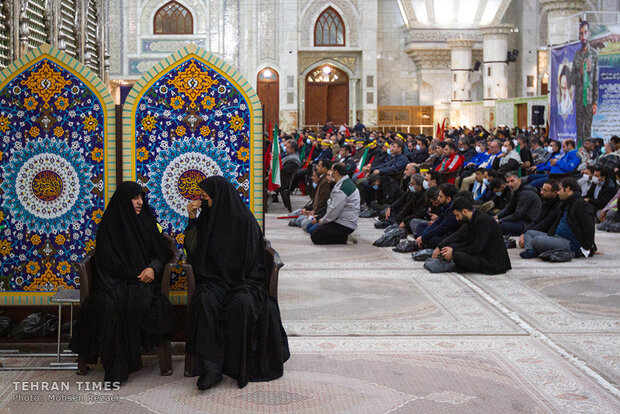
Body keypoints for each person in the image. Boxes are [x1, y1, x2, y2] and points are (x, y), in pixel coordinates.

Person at [184, 176, 290, 390]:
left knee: (242, 303)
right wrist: (192, 218)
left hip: (244, 281)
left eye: (205, 197)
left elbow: (254, 261)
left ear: (218, 197)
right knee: (205, 301)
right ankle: (211, 368)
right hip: (214, 280)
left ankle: (238, 367)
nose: (202, 201)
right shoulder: (207, 219)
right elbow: (193, 250)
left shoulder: (244, 221)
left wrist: (237, 277)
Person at [70, 181, 175, 383]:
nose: (140, 202)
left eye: (141, 198)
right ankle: (117, 368)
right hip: (112, 283)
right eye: (135, 198)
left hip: (141, 283)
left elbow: (162, 252)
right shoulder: (110, 226)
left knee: (136, 300)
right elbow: (107, 262)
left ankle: (124, 365)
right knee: (109, 304)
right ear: (123, 201)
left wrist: (152, 268)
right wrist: (132, 273)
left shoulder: (145, 222)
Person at [433, 197, 511, 274]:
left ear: (464, 211)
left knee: (458, 256)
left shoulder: (482, 221)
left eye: (457, 215)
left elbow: (477, 247)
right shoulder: (472, 218)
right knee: (452, 246)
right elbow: (459, 234)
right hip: (482, 255)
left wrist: (453, 252)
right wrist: (440, 246)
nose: (457, 219)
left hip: (492, 262)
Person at [521, 178, 596, 258]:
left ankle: (535, 251)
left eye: (560, 189)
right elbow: (547, 221)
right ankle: (531, 251)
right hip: (557, 237)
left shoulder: (580, 204)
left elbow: (589, 227)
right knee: (529, 233)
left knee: (537, 240)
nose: (558, 192)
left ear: (567, 189)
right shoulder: (564, 203)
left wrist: (587, 247)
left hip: (570, 243)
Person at [311, 162, 361, 244]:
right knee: (314, 229)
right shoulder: (343, 183)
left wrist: (323, 220)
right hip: (339, 220)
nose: (330, 173)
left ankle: (345, 238)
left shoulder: (343, 188)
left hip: (344, 224)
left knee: (315, 236)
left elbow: (334, 210)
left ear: (336, 173)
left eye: (332, 171)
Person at [572, 21, 598, 145]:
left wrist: (595, 102)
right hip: (579, 98)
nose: (583, 37)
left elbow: (596, 80)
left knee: (587, 128)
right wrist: (581, 72)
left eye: (585, 33)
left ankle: (588, 152)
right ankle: (579, 151)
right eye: (581, 34)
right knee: (579, 129)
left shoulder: (594, 55)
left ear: (589, 34)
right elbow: (572, 79)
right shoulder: (577, 55)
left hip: (589, 98)